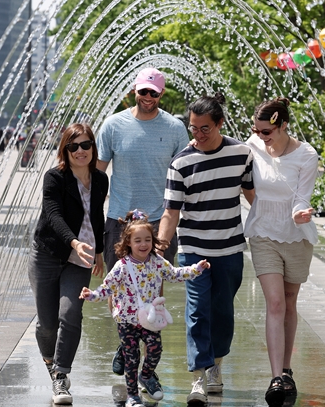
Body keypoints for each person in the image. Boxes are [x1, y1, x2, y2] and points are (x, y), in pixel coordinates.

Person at [157, 93, 255, 406]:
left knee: (223, 312)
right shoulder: (181, 162)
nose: (197, 135)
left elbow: (253, 196)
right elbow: (171, 211)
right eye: (193, 129)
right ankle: (198, 377)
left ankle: (217, 365)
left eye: (204, 129)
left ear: (219, 124)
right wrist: (160, 246)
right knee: (198, 312)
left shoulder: (241, 154)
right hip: (193, 251)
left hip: (229, 249)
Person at [96, 67, 190, 376]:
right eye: (143, 91)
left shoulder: (176, 128)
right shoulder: (113, 125)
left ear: (162, 94)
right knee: (120, 288)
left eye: (154, 92)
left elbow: (184, 175)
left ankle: (142, 356)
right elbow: (98, 175)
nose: (148, 97)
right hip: (120, 221)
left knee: (152, 293)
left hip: (158, 223)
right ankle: (127, 346)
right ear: (133, 91)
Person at [80, 210, 210, 407]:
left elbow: (174, 274)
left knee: (155, 349)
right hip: (126, 321)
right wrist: (92, 295)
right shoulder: (122, 266)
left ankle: (146, 375)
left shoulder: (157, 262)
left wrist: (196, 269)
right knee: (132, 359)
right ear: (128, 243)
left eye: (147, 239)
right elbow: (107, 287)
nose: (143, 244)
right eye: (138, 240)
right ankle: (132, 396)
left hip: (149, 320)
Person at [243, 98, 319, 406]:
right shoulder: (253, 146)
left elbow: (303, 197)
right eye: (257, 130)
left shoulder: (306, 155)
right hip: (262, 232)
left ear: (283, 125)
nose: (261, 136)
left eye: (266, 131)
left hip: (296, 235)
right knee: (275, 302)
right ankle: (276, 377)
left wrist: (301, 214)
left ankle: (287, 368)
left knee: (289, 301)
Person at [29, 123, 109, 405]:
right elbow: (53, 215)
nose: (80, 151)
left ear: (92, 147)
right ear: (65, 149)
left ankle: (61, 376)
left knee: (71, 313)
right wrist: (73, 242)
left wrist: (98, 251)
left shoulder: (100, 179)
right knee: (48, 325)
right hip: (49, 254)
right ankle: (50, 359)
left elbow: (97, 216)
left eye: (85, 145)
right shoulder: (55, 178)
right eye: (73, 146)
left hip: (82, 259)